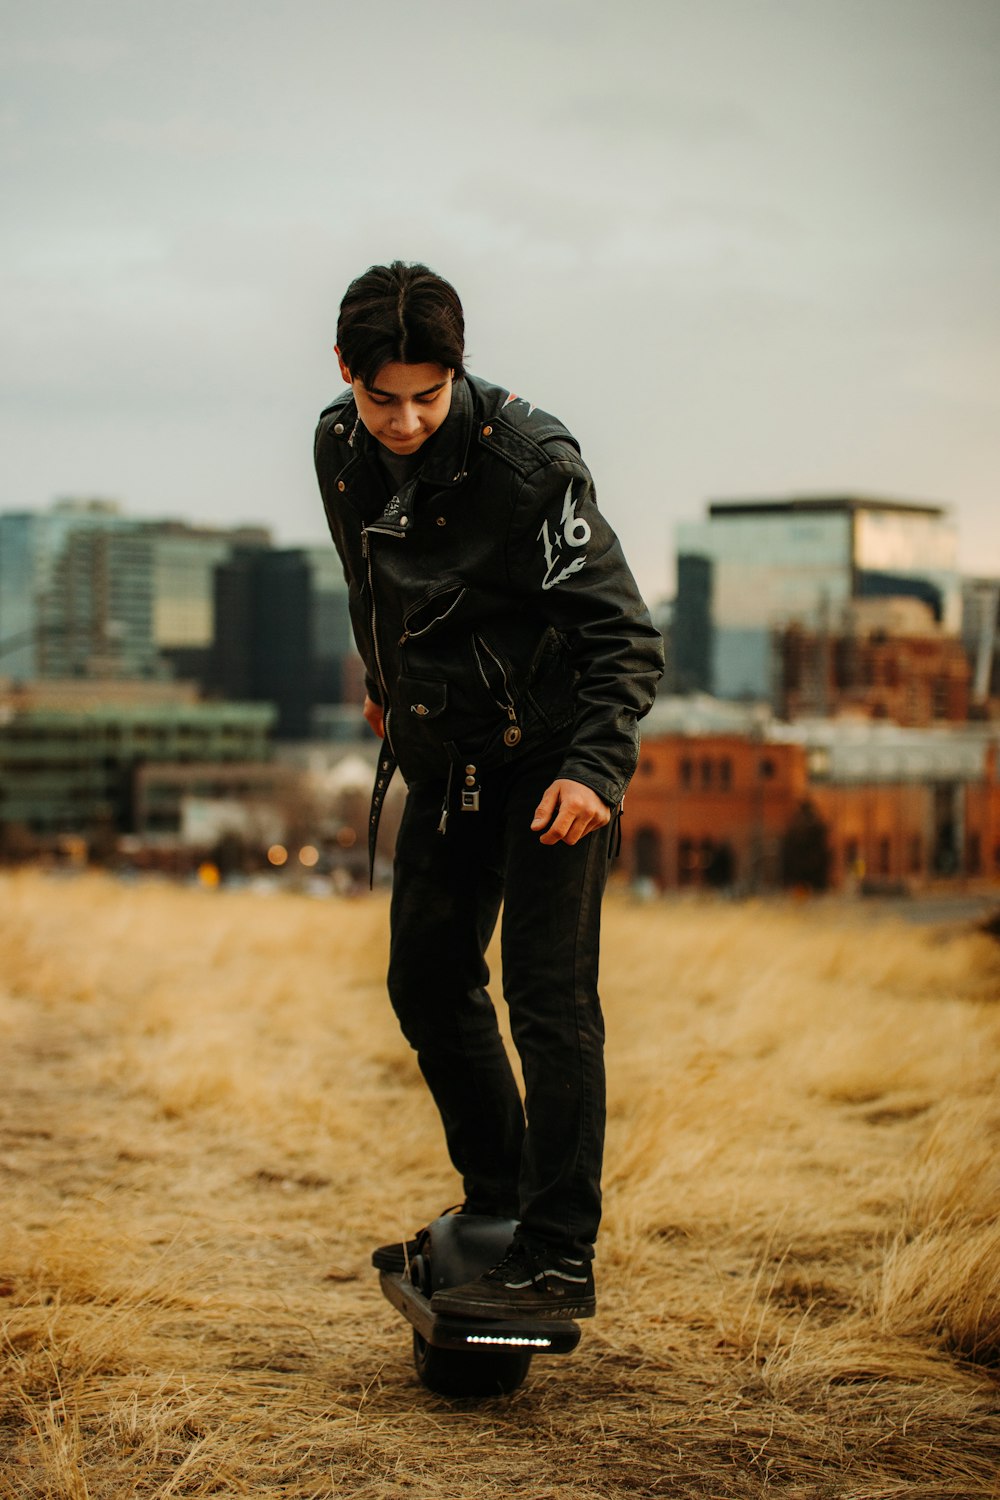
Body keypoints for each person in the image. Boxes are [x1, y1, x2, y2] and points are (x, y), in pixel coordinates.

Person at [314, 261, 663, 1321]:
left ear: (458, 373)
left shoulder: (531, 466)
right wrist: (391, 693)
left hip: (552, 756)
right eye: (386, 398)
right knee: (424, 980)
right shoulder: (337, 445)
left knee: (549, 1003)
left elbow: (622, 636)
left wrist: (594, 768)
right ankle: (499, 1205)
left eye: (429, 395)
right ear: (346, 373)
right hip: (447, 753)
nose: (408, 420)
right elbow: (373, 583)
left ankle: (556, 1256)